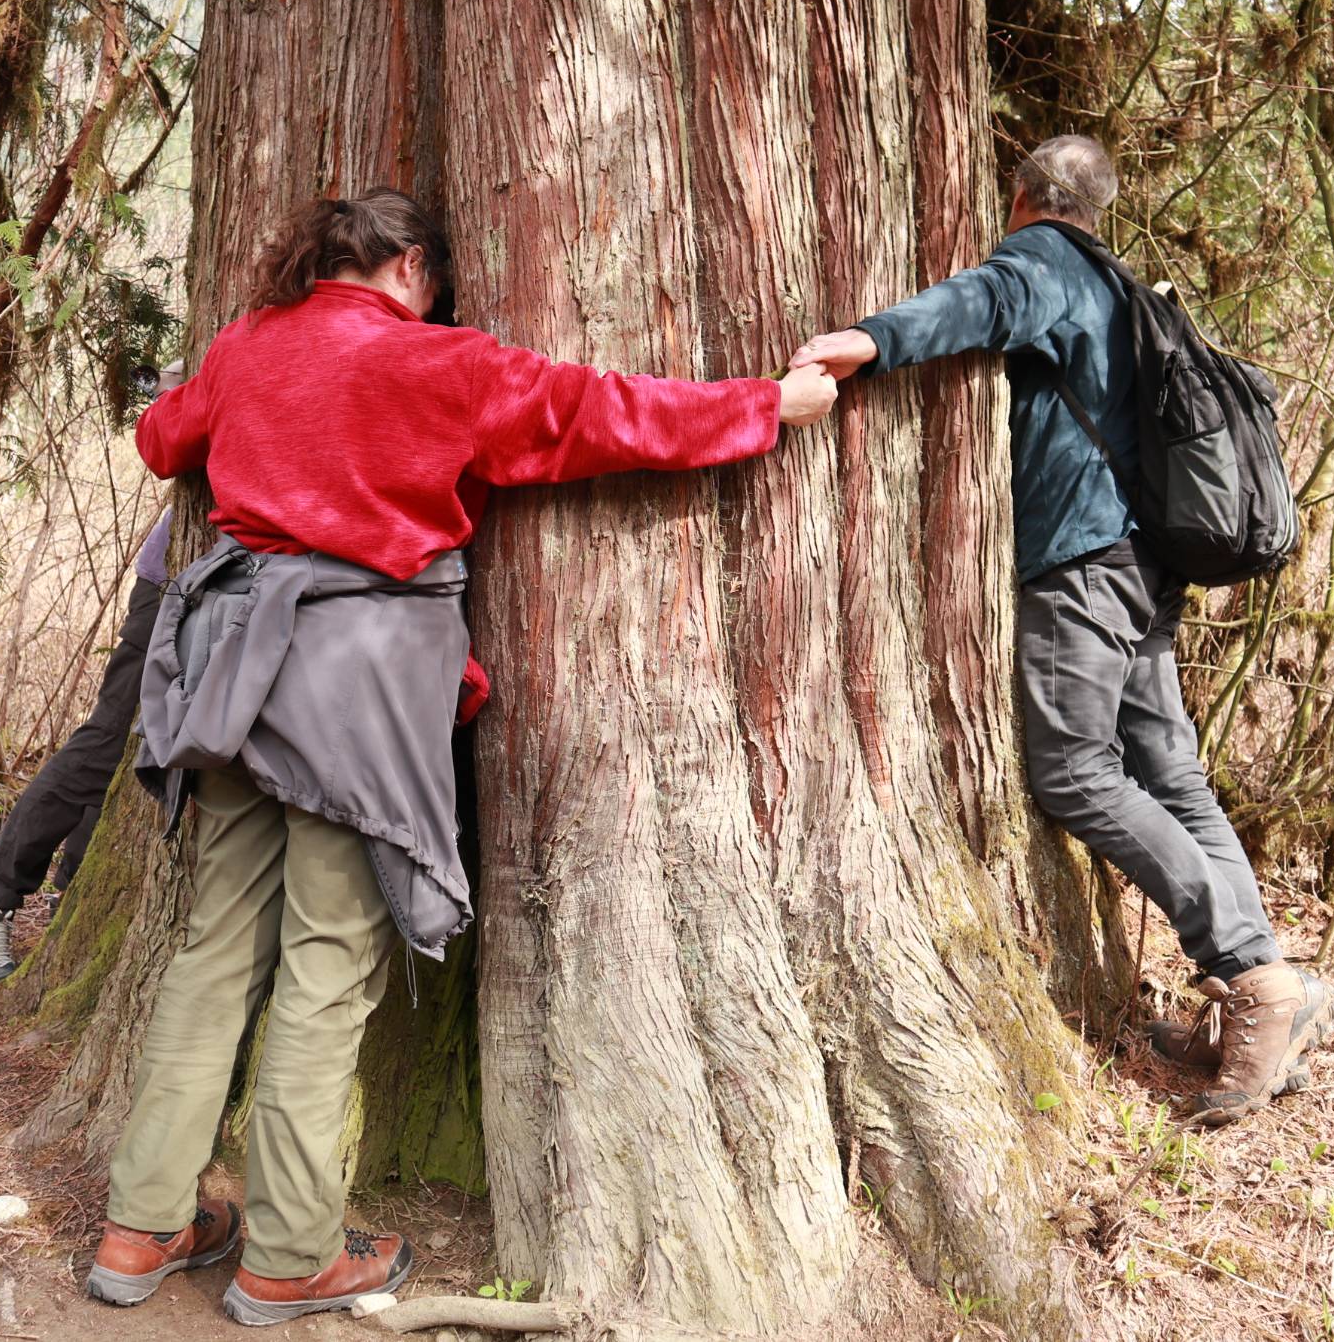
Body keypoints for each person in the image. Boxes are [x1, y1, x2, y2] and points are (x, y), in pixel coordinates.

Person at [86, 188, 838, 1323]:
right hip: (356, 689)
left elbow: (161, 440)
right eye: (429, 281)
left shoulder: (248, 346)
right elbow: (606, 415)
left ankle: (139, 1230)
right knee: (328, 961)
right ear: (406, 269)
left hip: (231, 680)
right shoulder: (439, 364)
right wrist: (769, 405)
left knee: (211, 948)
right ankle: (288, 1257)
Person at [790, 134, 1334, 1126]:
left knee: (1075, 775)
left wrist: (869, 339)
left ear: (1023, 198)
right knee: (1168, 775)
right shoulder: (1121, 286)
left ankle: (1253, 983)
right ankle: (1266, 975)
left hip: (1083, 564)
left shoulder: (1042, 262)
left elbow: (979, 304)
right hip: (1143, 564)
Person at [0, 509, 171, 986]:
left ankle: (72, 886)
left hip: (242, 594)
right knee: (111, 742)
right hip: (175, 585)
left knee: (153, 748)